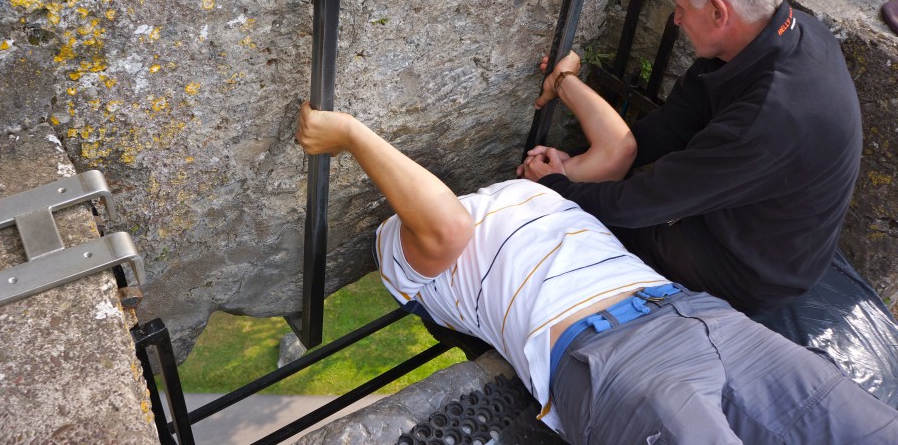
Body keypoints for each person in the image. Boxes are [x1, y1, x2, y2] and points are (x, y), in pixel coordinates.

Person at [296, 101, 897, 444]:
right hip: (609, 353)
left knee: (869, 428)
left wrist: (565, 82)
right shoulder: (411, 247)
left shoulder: (557, 199)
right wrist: (351, 134)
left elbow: (619, 150)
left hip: (704, 317)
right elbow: (445, 224)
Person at [519, 0, 862, 315]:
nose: (676, 20)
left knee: (590, 229)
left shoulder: (768, 119)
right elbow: (673, 123)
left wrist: (557, 187)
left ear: (718, 12)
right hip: (747, 212)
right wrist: (583, 159)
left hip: (750, 270)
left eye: (680, 8)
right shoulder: (785, 33)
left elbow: (640, 204)